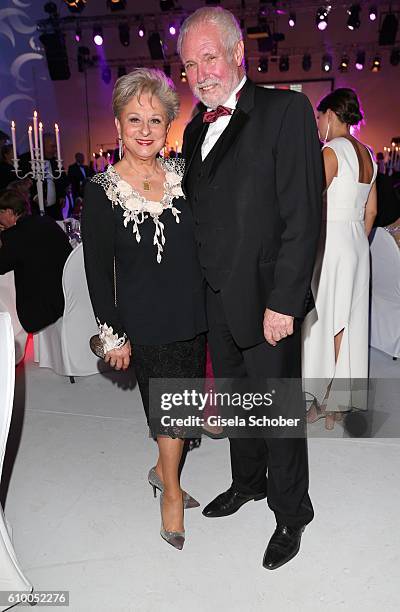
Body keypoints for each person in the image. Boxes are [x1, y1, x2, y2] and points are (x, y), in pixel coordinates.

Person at [178, 7, 322, 569]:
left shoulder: (286, 111)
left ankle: (292, 512)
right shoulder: (194, 126)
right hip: (216, 296)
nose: (199, 72)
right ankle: (249, 482)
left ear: (239, 53)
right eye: (189, 64)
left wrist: (284, 301)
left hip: (267, 299)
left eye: (208, 57)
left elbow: (303, 216)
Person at [81, 68, 207, 551]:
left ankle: (161, 470)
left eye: (155, 120)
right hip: (146, 320)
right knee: (170, 411)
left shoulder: (182, 177)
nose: (144, 130)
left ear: (168, 125)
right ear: (117, 124)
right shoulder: (101, 189)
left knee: (181, 407)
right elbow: (96, 270)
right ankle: (170, 493)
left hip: (192, 314)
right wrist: (112, 334)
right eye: (134, 119)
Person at [302, 88, 377, 430]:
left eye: (319, 118)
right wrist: (356, 238)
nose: (318, 125)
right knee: (349, 320)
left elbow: (307, 200)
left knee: (327, 318)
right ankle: (340, 402)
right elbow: (371, 212)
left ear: (330, 115)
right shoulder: (369, 155)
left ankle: (324, 398)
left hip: (331, 241)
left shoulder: (331, 151)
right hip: (358, 243)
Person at [0, 189, 71, 333]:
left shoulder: (15, 236)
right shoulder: (46, 221)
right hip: (67, 296)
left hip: (41, 310)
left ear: (8, 212)